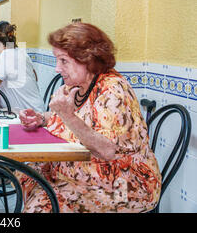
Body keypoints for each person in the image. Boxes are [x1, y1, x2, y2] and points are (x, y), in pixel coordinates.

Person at [17, 23, 161, 213]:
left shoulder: (113, 91)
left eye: (63, 61)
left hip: (123, 184)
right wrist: (41, 118)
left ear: (87, 59)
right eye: (57, 60)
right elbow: (76, 117)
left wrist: (67, 115)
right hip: (83, 172)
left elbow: (107, 150)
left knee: (43, 201)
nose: (57, 69)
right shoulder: (78, 84)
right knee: (24, 173)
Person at [0, 21, 44, 113]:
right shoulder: (22, 53)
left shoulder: (4, 57)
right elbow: (35, 78)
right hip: (39, 111)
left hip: (23, 116)